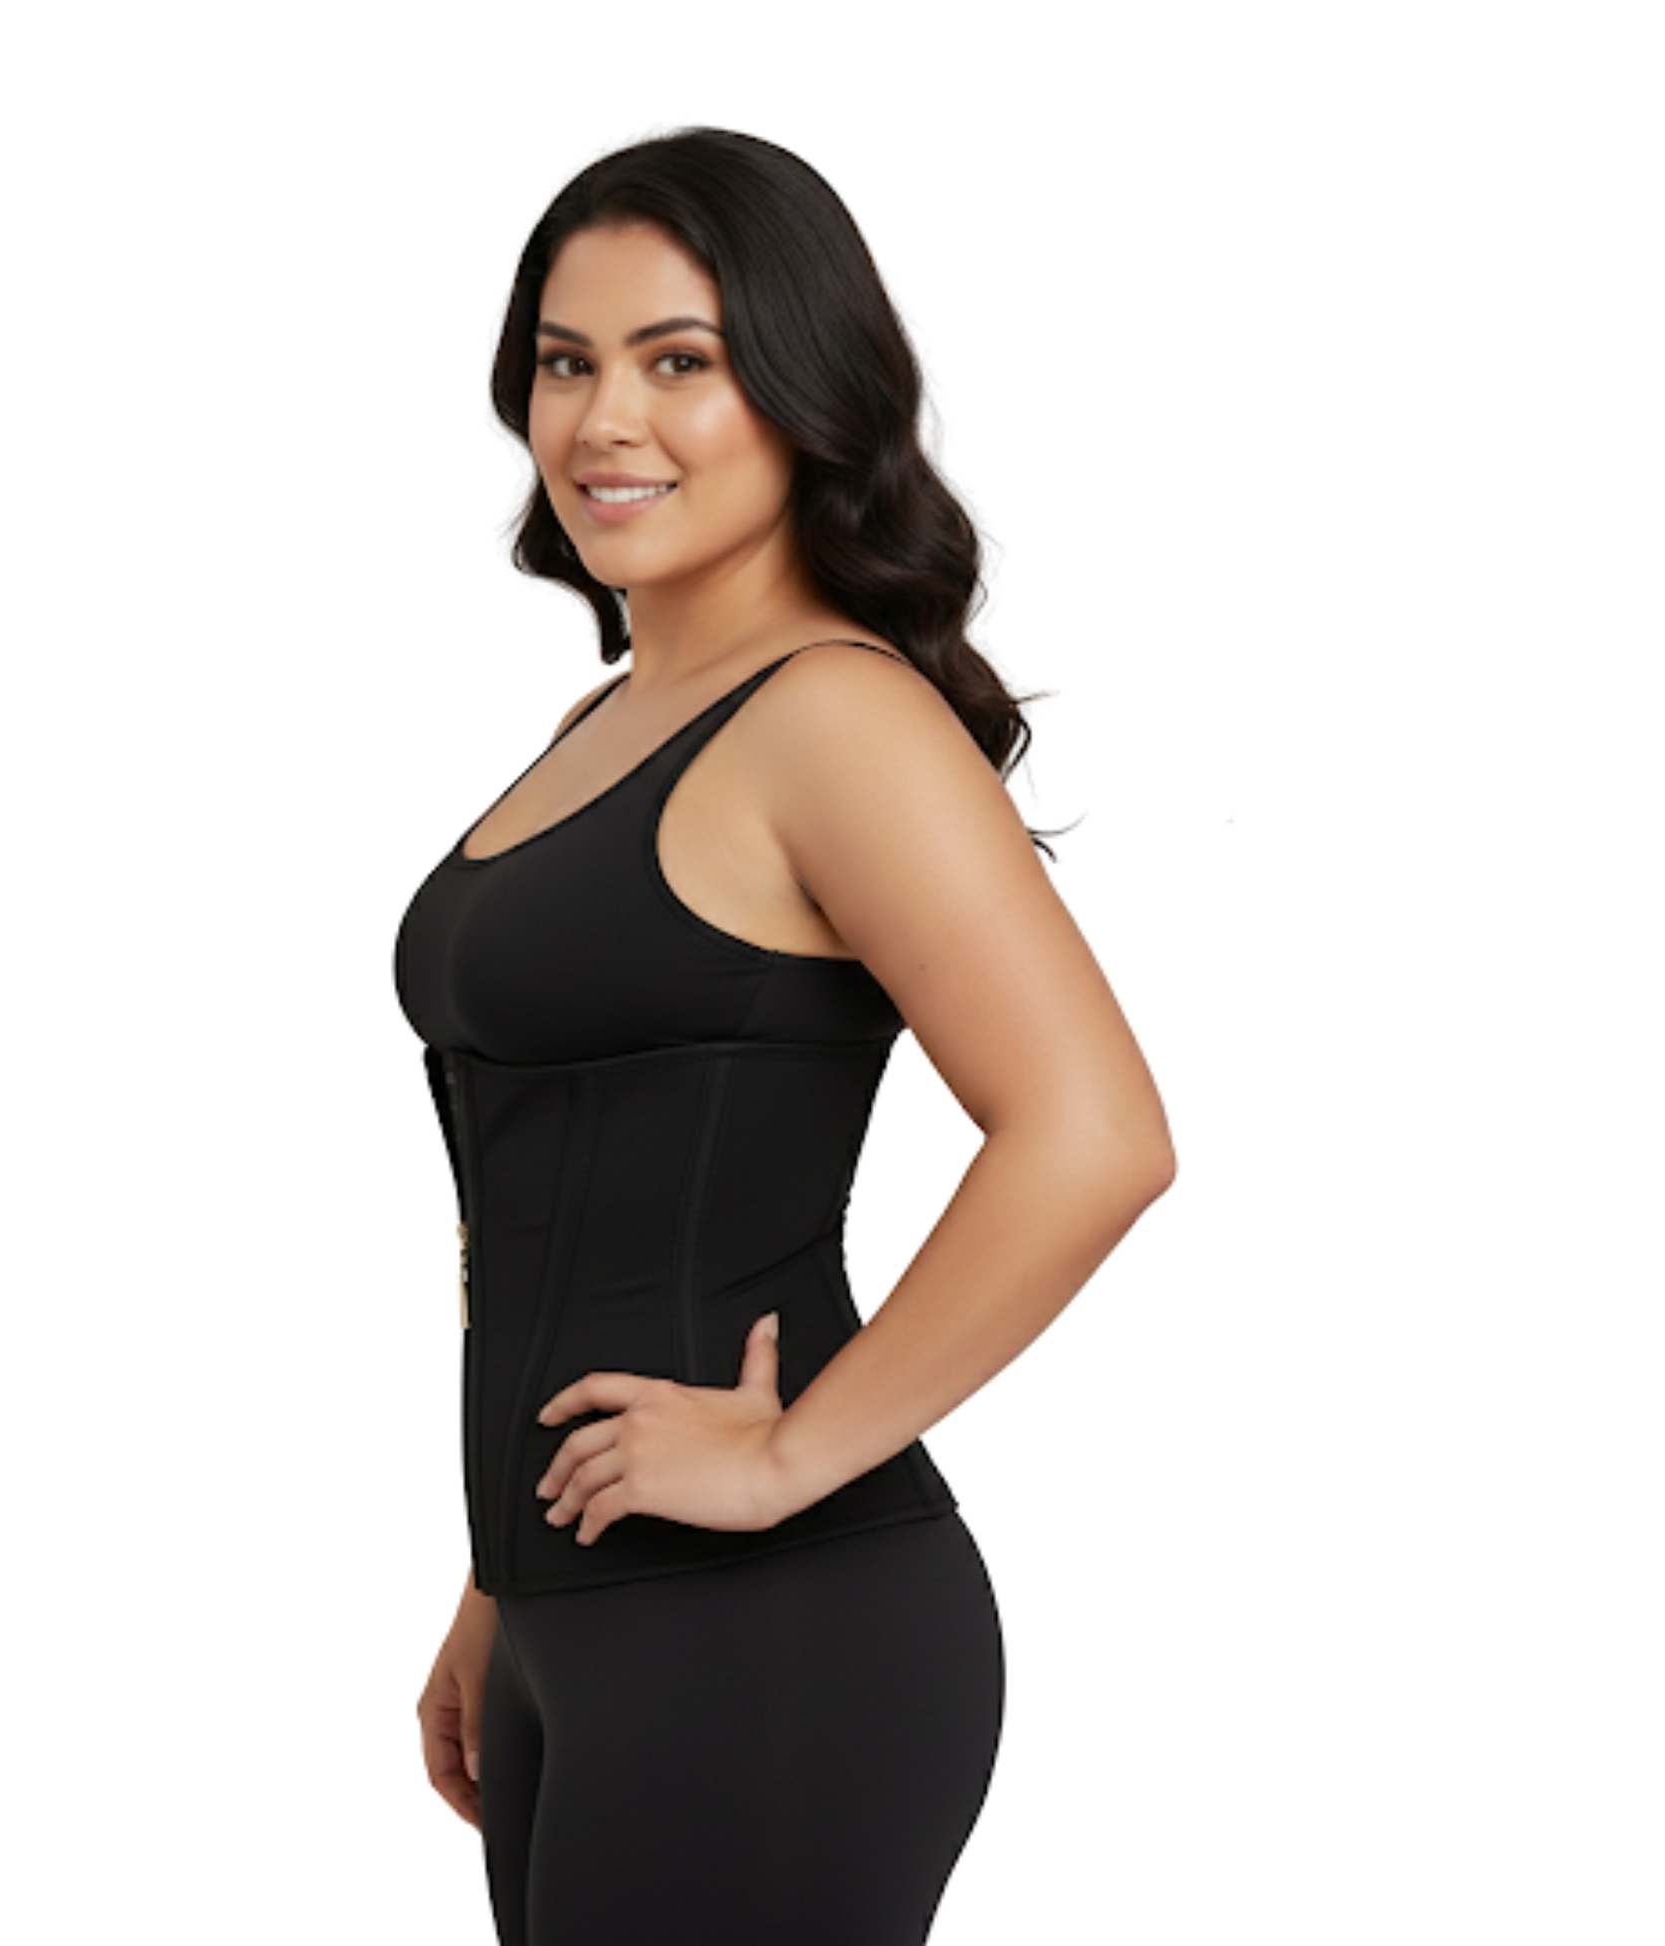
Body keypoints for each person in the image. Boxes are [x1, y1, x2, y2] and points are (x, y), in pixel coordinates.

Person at [395, 126, 1176, 1946]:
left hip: (769, 1630)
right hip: (577, 1608)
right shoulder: (610, 720)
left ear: (806, 389)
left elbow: (1094, 1134)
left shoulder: (833, 717)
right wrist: (500, 1580)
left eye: (679, 360)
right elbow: (558, 1199)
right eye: (565, 362)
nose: (604, 420)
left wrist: (779, 1454)